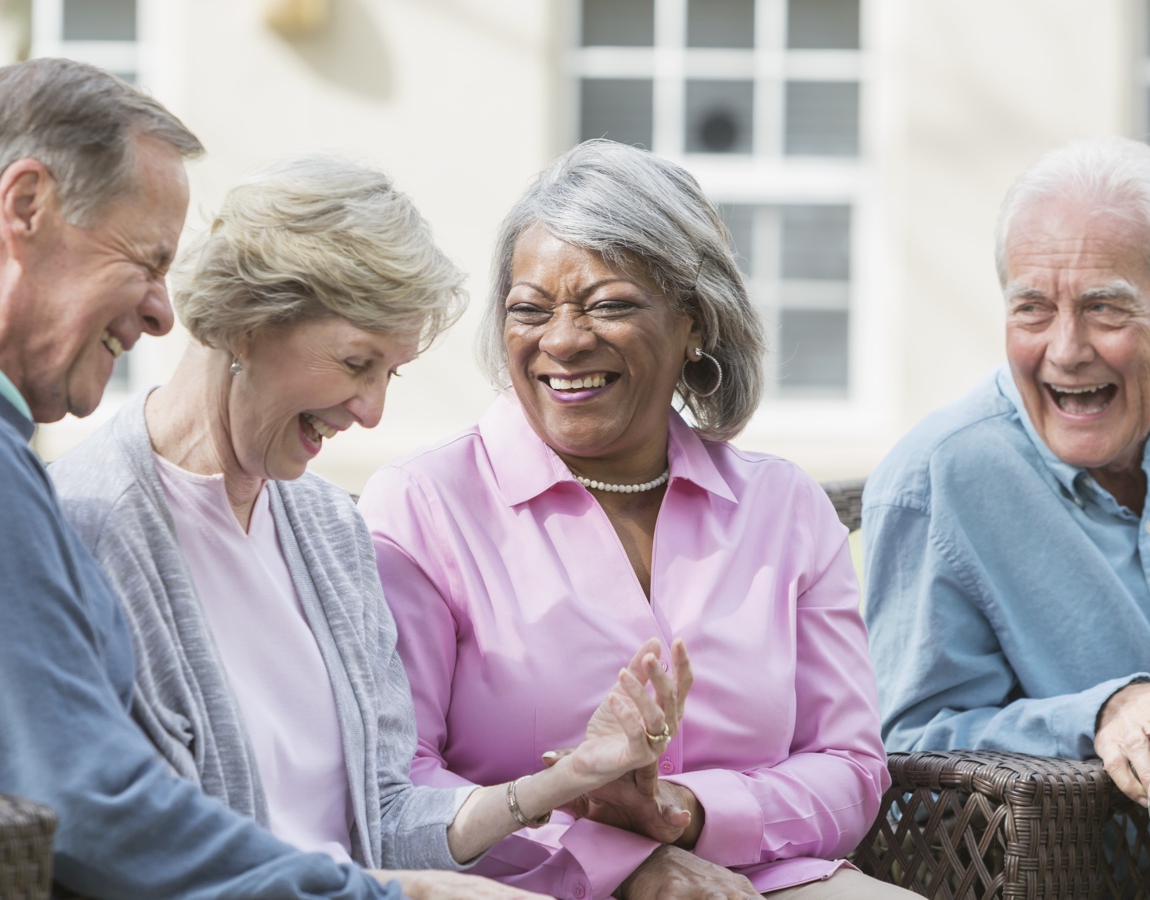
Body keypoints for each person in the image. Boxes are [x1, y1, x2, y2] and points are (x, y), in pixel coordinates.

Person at [0, 57, 415, 899]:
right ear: (25, 206)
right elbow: (86, 804)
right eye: (146, 260)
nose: (163, 310)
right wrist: (389, 895)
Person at [49, 154, 691, 900]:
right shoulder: (85, 527)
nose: (371, 411)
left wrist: (564, 781)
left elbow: (386, 816)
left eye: (391, 373)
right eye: (357, 362)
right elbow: (149, 852)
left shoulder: (326, 526)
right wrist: (410, 893)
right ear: (246, 324)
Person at [359, 140, 910, 900]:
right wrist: (621, 865)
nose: (562, 340)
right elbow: (400, 789)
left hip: (764, 880)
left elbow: (850, 767)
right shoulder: (423, 506)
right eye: (529, 309)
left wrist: (688, 816)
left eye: (609, 304)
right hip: (521, 886)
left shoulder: (785, 509)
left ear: (694, 322)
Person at [863, 136, 1150, 810]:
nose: (1065, 350)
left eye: (1103, 307)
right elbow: (907, 750)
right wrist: (1095, 716)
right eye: (1032, 308)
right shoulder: (933, 484)